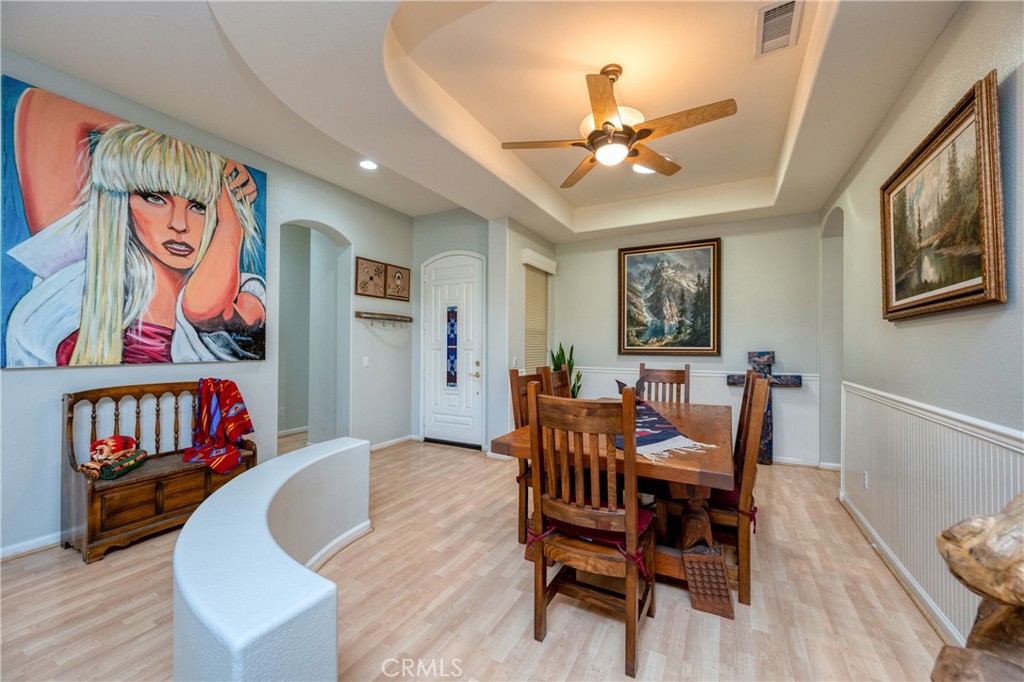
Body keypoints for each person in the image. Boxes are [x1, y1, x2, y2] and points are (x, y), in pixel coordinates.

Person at [4, 85, 266, 366]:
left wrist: (230, 224)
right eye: (154, 198)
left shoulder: (246, 293)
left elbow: (203, 309)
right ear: (124, 204)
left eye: (198, 206)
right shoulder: (82, 274)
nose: (179, 225)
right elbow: (47, 108)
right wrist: (184, 149)